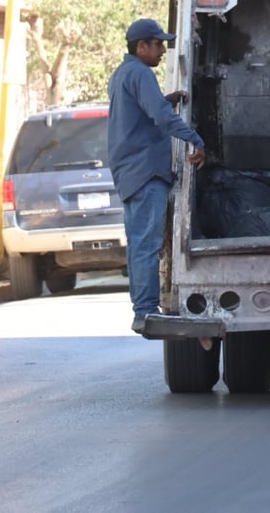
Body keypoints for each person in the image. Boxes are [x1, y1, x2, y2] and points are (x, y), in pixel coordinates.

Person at [107, 18, 206, 333]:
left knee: (138, 244)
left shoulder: (122, 74)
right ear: (141, 47)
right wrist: (194, 138)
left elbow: (144, 113)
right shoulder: (140, 73)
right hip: (146, 170)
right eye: (158, 44)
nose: (163, 50)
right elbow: (160, 118)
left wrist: (169, 99)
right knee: (147, 244)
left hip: (130, 172)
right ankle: (146, 310)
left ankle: (142, 309)